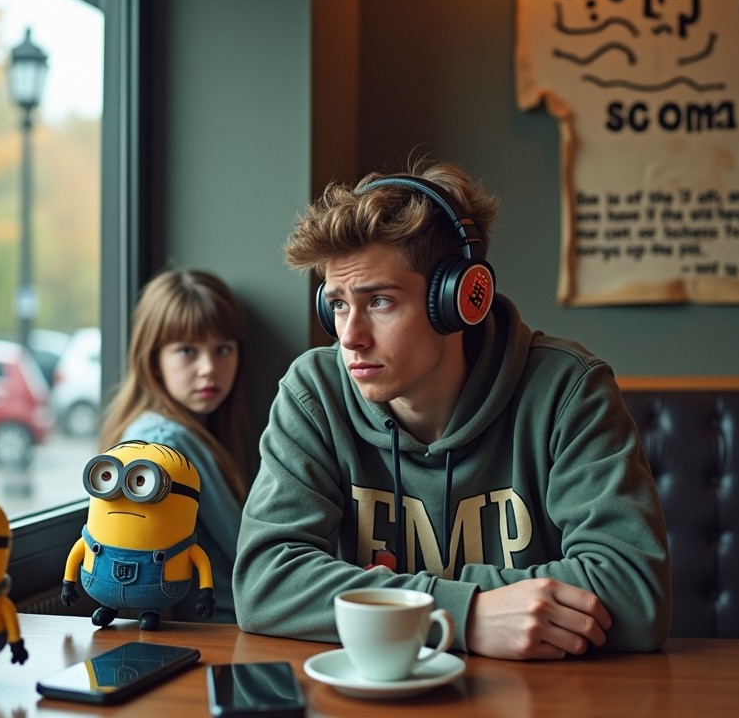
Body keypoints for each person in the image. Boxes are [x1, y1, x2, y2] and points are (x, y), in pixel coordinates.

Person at [232, 160, 672, 659]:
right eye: (337, 304)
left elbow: (634, 596)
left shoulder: (568, 391)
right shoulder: (315, 393)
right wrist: (466, 613)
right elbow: (263, 584)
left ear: (462, 299)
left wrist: (385, 600)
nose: (349, 336)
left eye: (378, 301)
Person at [100, 268, 255, 624]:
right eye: (187, 350)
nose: (208, 369)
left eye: (223, 349)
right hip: (222, 628)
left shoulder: (199, 434)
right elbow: (247, 553)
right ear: (153, 360)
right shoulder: (163, 444)